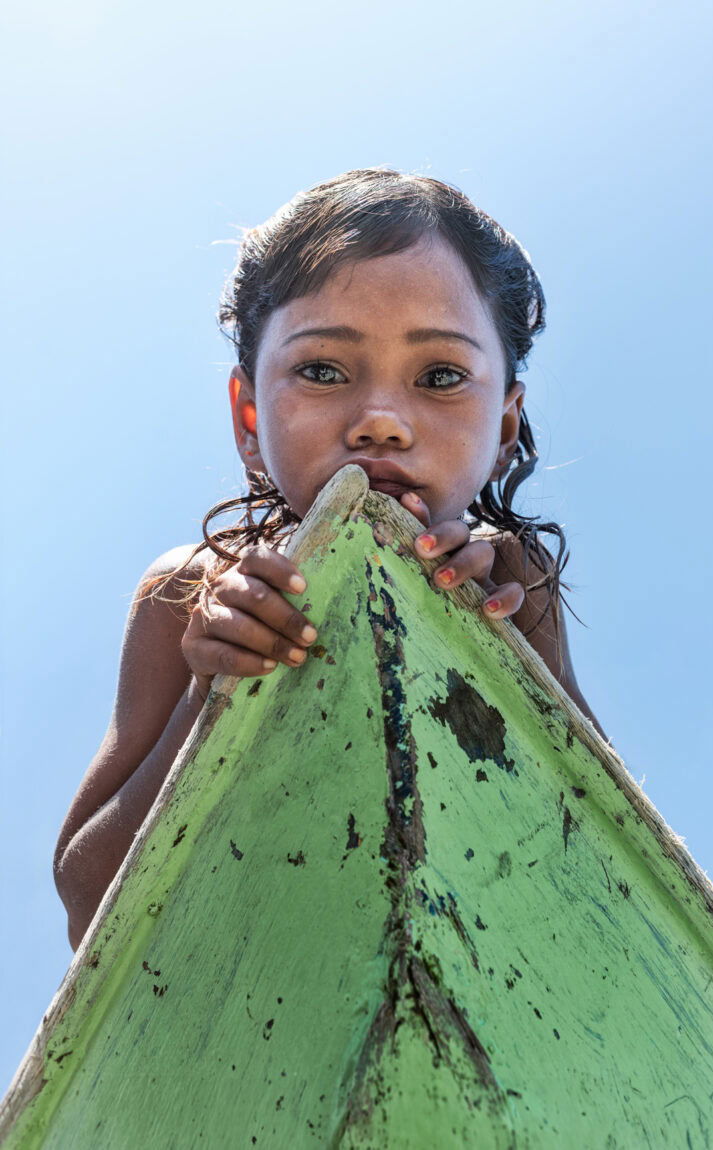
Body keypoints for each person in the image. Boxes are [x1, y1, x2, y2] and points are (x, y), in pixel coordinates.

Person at [53, 167, 606, 951]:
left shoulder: (515, 583)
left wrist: (504, 655)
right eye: (322, 371)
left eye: (441, 376)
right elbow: (85, 902)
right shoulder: (193, 590)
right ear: (249, 417)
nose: (381, 419)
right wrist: (209, 696)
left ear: (506, 427)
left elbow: (607, 859)